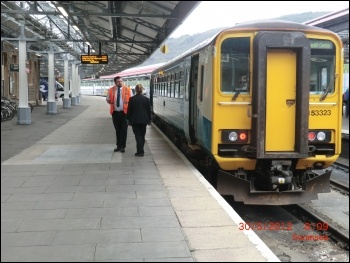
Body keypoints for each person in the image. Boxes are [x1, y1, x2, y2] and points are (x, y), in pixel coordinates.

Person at [106, 76, 133, 152]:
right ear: (115, 82)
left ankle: (123, 146)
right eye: (118, 81)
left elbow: (132, 100)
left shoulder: (128, 89)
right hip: (115, 113)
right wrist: (112, 103)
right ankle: (118, 145)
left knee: (124, 130)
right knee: (117, 129)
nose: (120, 82)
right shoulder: (111, 90)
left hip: (124, 113)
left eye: (121, 81)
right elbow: (107, 99)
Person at [126, 84, 152, 157]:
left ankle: (140, 152)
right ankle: (140, 150)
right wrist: (150, 120)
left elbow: (129, 110)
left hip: (135, 121)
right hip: (144, 121)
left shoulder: (132, 99)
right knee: (142, 135)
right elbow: (148, 111)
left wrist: (128, 119)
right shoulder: (146, 99)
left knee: (138, 135)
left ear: (136, 90)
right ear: (142, 90)